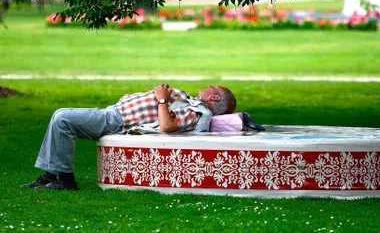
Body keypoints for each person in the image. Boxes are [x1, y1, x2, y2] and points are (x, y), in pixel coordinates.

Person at [21, 84, 236, 191]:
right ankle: (51, 176)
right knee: (61, 119)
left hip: (117, 120)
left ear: (215, 97)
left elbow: (167, 125)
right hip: (115, 112)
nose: (209, 86)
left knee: (62, 117)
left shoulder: (198, 111)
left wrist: (162, 100)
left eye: (213, 87)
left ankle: (65, 181)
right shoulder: (193, 103)